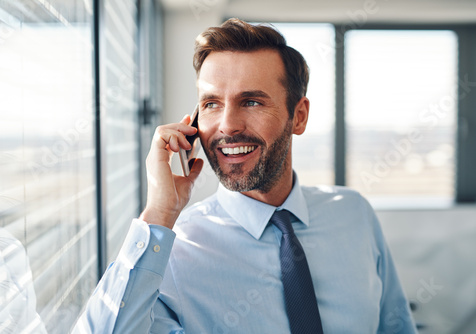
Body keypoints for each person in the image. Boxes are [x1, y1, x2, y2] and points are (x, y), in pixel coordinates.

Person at [73, 18, 417, 333]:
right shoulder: (173, 254)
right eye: (211, 104)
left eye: (251, 101)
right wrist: (160, 213)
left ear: (298, 116)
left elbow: (397, 324)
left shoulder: (353, 213)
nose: (227, 126)